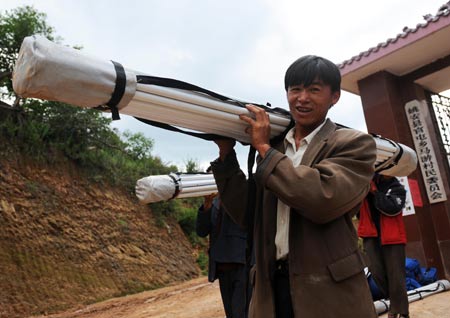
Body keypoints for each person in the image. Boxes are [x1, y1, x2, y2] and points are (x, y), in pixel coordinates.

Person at [210, 55, 378, 317]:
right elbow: (248, 214)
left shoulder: (353, 144)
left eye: (314, 90)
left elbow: (321, 197)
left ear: (334, 97)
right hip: (273, 286)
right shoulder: (277, 149)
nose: (302, 98)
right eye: (295, 89)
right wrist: (226, 157)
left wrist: (264, 148)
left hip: (328, 291)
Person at [358, 174, 409, 318]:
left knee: (396, 276)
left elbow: (391, 208)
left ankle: (401, 312)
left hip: (393, 238)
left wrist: (375, 192)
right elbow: (357, 211)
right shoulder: (368, 184)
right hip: (371, 236)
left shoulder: (397, 188)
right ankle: (394, 303)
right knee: (376, 272)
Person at [196, 187, 249, 318]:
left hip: (241, 264)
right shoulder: (212, 204)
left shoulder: (240, 197)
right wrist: (207, 206)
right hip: (222, 267)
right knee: (230, 313)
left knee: (240, 313)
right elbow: (201, 231)